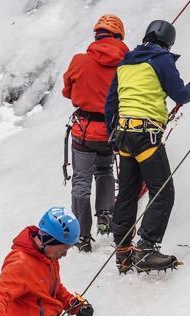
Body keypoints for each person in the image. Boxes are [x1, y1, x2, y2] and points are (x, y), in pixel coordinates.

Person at [104, 20, 190, 273]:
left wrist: (112, 135)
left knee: (128, 193)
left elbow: (111, 104)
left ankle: (123, 253)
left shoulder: (125, 63)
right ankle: (146, 248)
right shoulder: (162, 60)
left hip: (124, 135)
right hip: (146, 135)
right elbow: (180, 95)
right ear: (169, 42)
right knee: (162, 192)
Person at [62, 14, 128, 253]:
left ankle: (81, 235)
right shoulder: (125, 65)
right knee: (105, 170)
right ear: (118, 37)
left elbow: (67, 92)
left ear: (97, 35)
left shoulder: (80, 61)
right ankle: (106, 216)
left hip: (85, 130)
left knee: (81, 180)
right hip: (110, 131)